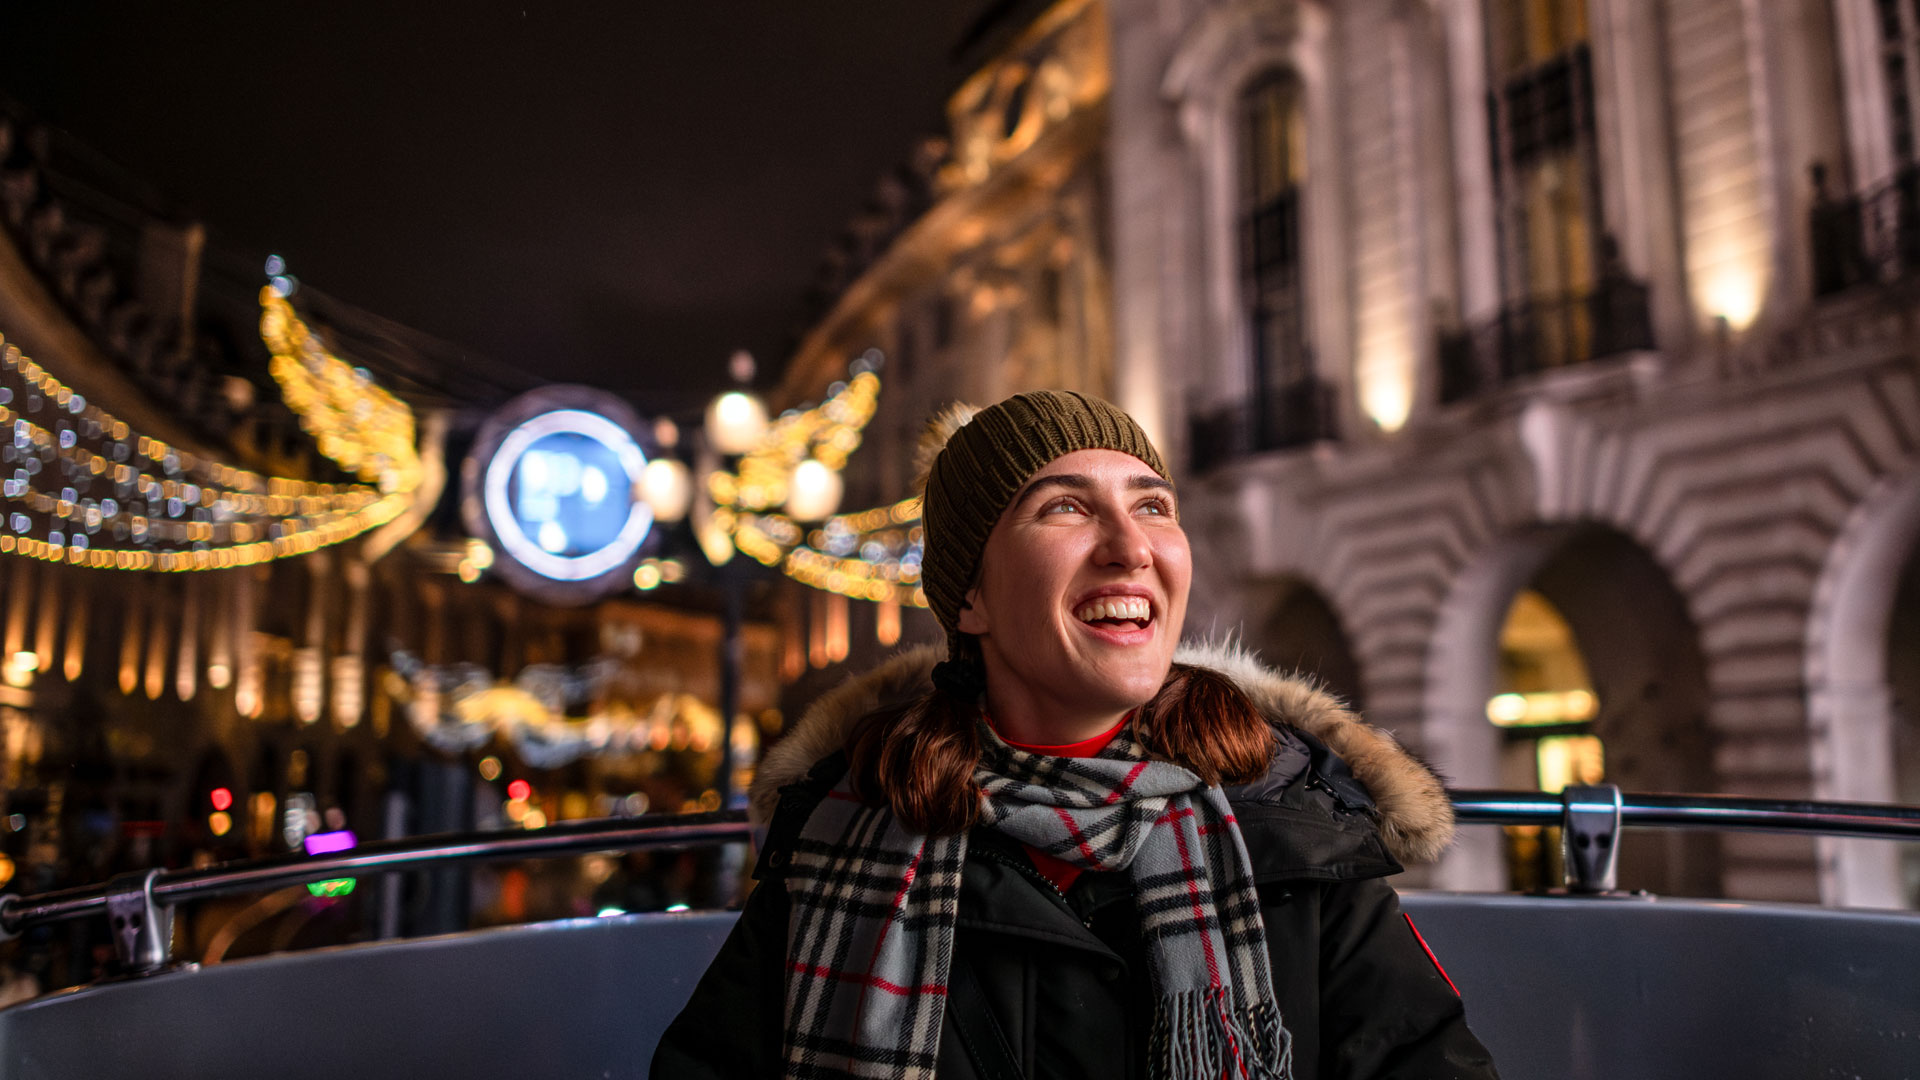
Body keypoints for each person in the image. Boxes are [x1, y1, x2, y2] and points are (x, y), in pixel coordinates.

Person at [653, 390, 1498, 1079]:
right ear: (969, 601)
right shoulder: (842, 829)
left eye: (1154, 506)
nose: (1130, 547)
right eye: (1065, 507)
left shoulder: (1294, 822)